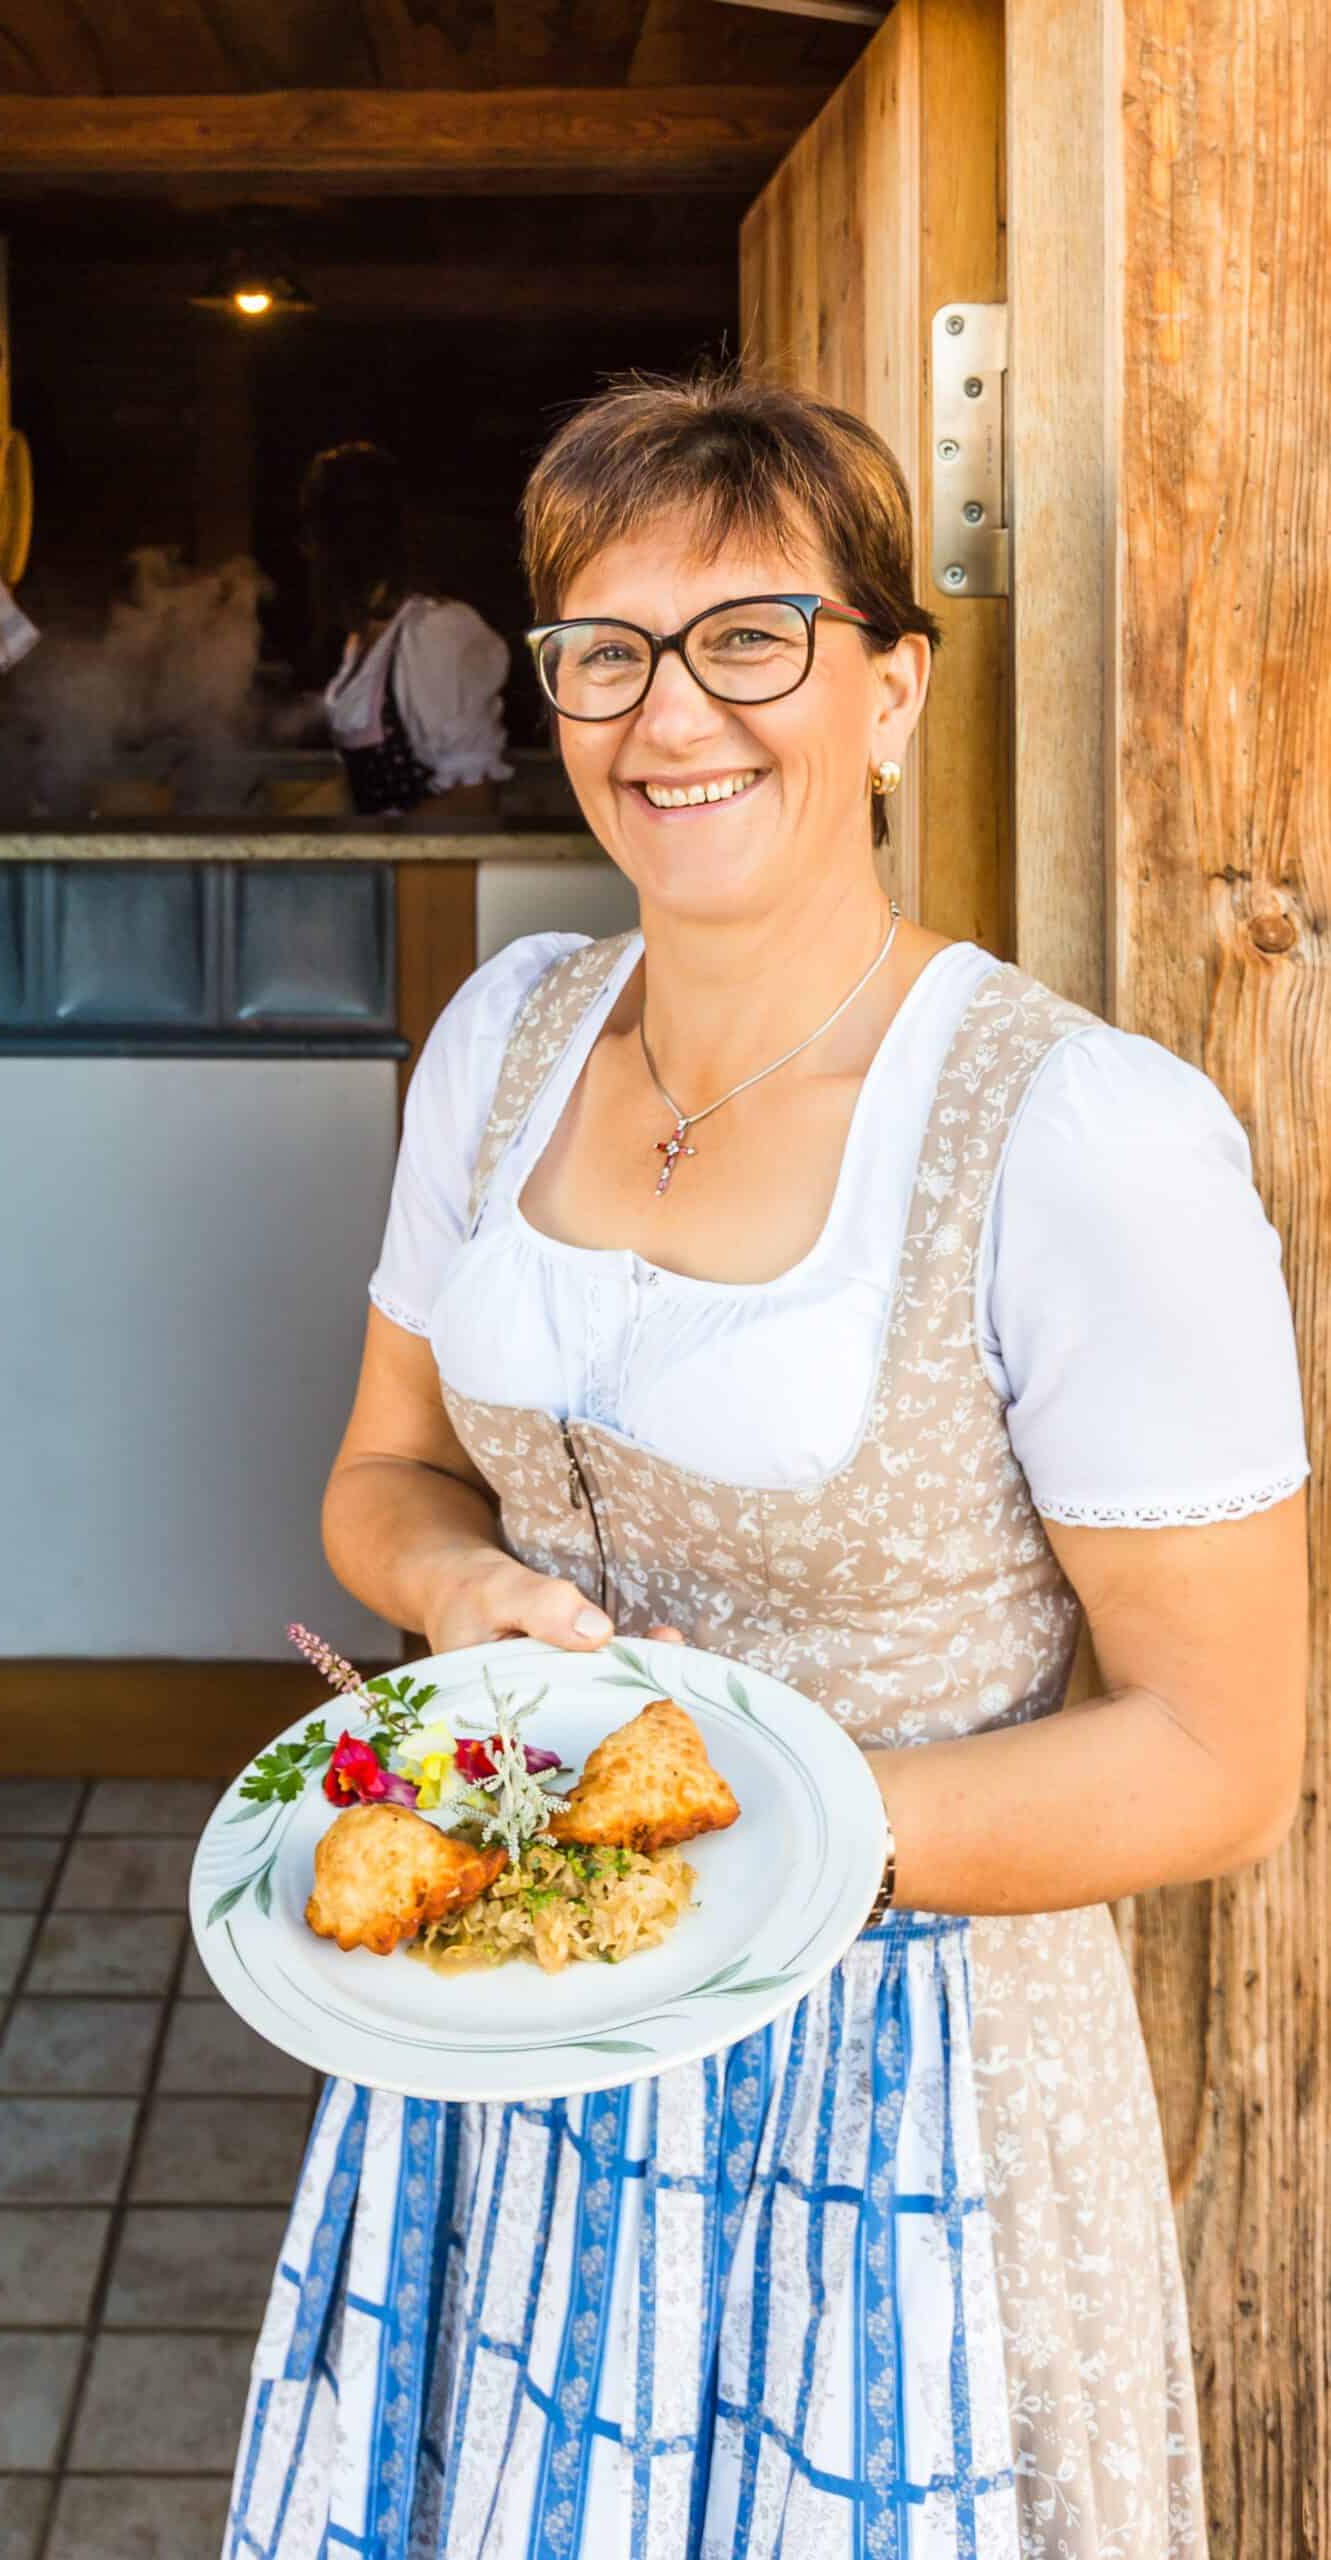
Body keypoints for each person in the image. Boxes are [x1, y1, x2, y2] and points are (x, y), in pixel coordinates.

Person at [226, 368, 1309, 2559]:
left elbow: (1215, 1758)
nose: (669, 711)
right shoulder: (504, 1034)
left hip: (896, 2076)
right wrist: (461, 1603)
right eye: (602, 651)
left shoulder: (1077, 1134)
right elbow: (382, 1476)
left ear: (891, 688)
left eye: (752, 635)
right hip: (505, 2024)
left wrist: (742, 1847)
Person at [300, 440, 513, 818]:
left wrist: (372, 846)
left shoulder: (433, 634)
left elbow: (474, 800)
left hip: (423, 874)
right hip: (377, 870)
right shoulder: (363, 642)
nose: (307, 554)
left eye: (315, 540)